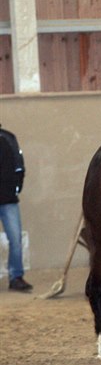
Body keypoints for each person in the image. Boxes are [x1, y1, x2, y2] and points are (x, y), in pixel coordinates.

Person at [0, 124, 32, 292]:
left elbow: (19, 165)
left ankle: (16, 277)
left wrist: (16, 188)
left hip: (8, 199)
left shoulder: (8, 138)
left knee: (16, 240)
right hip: (8, 198)